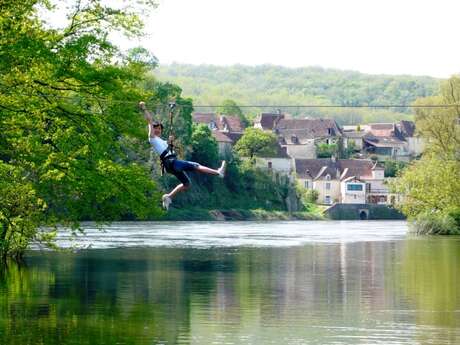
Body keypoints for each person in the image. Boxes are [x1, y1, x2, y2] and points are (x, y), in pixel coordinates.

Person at [139, 101, 226, 210]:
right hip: (171, 163)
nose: (158, 130)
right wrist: (144, 108)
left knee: (187, 184)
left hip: (170, 165)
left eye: (160, 129)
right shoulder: (152, 138)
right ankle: (218, 173)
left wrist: (170, 142)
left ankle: (168, 197)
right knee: (196, 165)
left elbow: (168, 149)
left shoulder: (162, 141)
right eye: (156, 128)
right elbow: (149, 121)